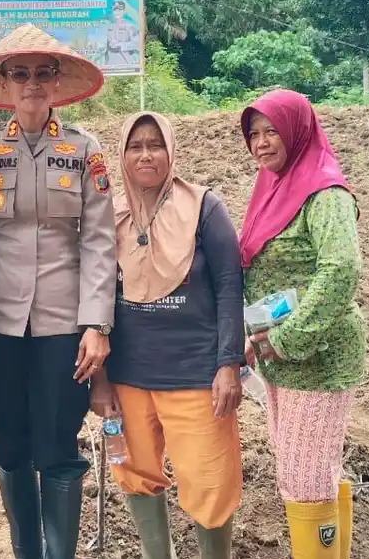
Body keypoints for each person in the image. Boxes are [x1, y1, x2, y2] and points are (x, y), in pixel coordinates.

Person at [0, 23, 118, 559]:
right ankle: (28, 551)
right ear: (5, 83)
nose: (32, 83)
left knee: (57, 444)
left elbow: (99, 241)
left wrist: (97, 323)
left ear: (58, 82)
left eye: (43, 73)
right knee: (8, 440)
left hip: (63, 323)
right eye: (19, 73)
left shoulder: (84, 150)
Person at [89, 111, 246, 559]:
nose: (145, 155)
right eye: (135, 146)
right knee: (134, 474)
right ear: (121, 155)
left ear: (171, 151)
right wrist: (99, 380)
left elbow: (230, 286)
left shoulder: (204, 208)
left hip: (196, 376)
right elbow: (94, 294)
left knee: (209, 483)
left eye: (155, 145)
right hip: (128, 379)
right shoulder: (108, 215)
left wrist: (227, 363)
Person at [238, 89, 365, 559]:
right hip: (280, 357)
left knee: (305, 478)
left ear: (298, 131)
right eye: (253, 134)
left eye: (272, 131)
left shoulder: (324, 194)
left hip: (317, 358)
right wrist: (258, 336)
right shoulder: (272, 187)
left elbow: (341, 270)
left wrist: (288, 338)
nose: (262, 143)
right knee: (308, 468)